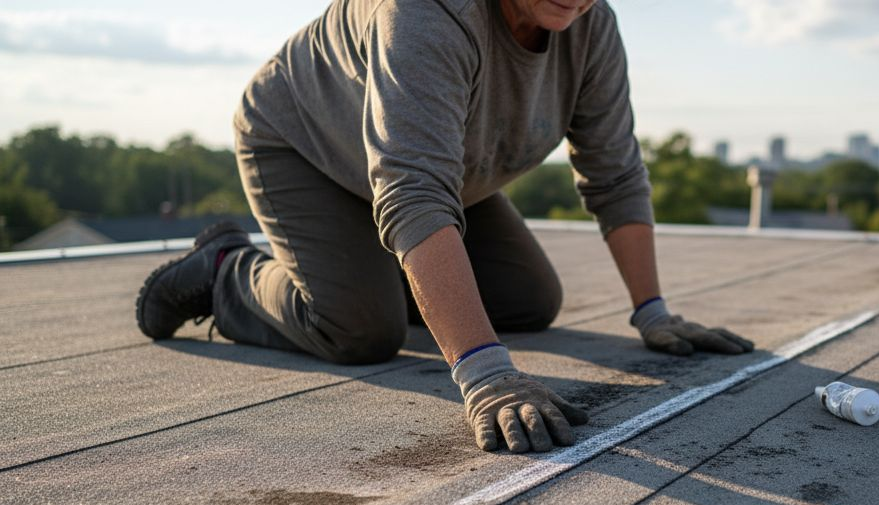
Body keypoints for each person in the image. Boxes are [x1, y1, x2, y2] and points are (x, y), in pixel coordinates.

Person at [135, 0, 753, 455]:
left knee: (529, 300)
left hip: (446, 170)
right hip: (308, 149)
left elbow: (614, 174)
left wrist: (653, 311)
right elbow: (413, 190)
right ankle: (226, 271)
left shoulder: (590, 27)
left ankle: (378, 269)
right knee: (359, 329)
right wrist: (485, 376)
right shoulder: (428, 10)